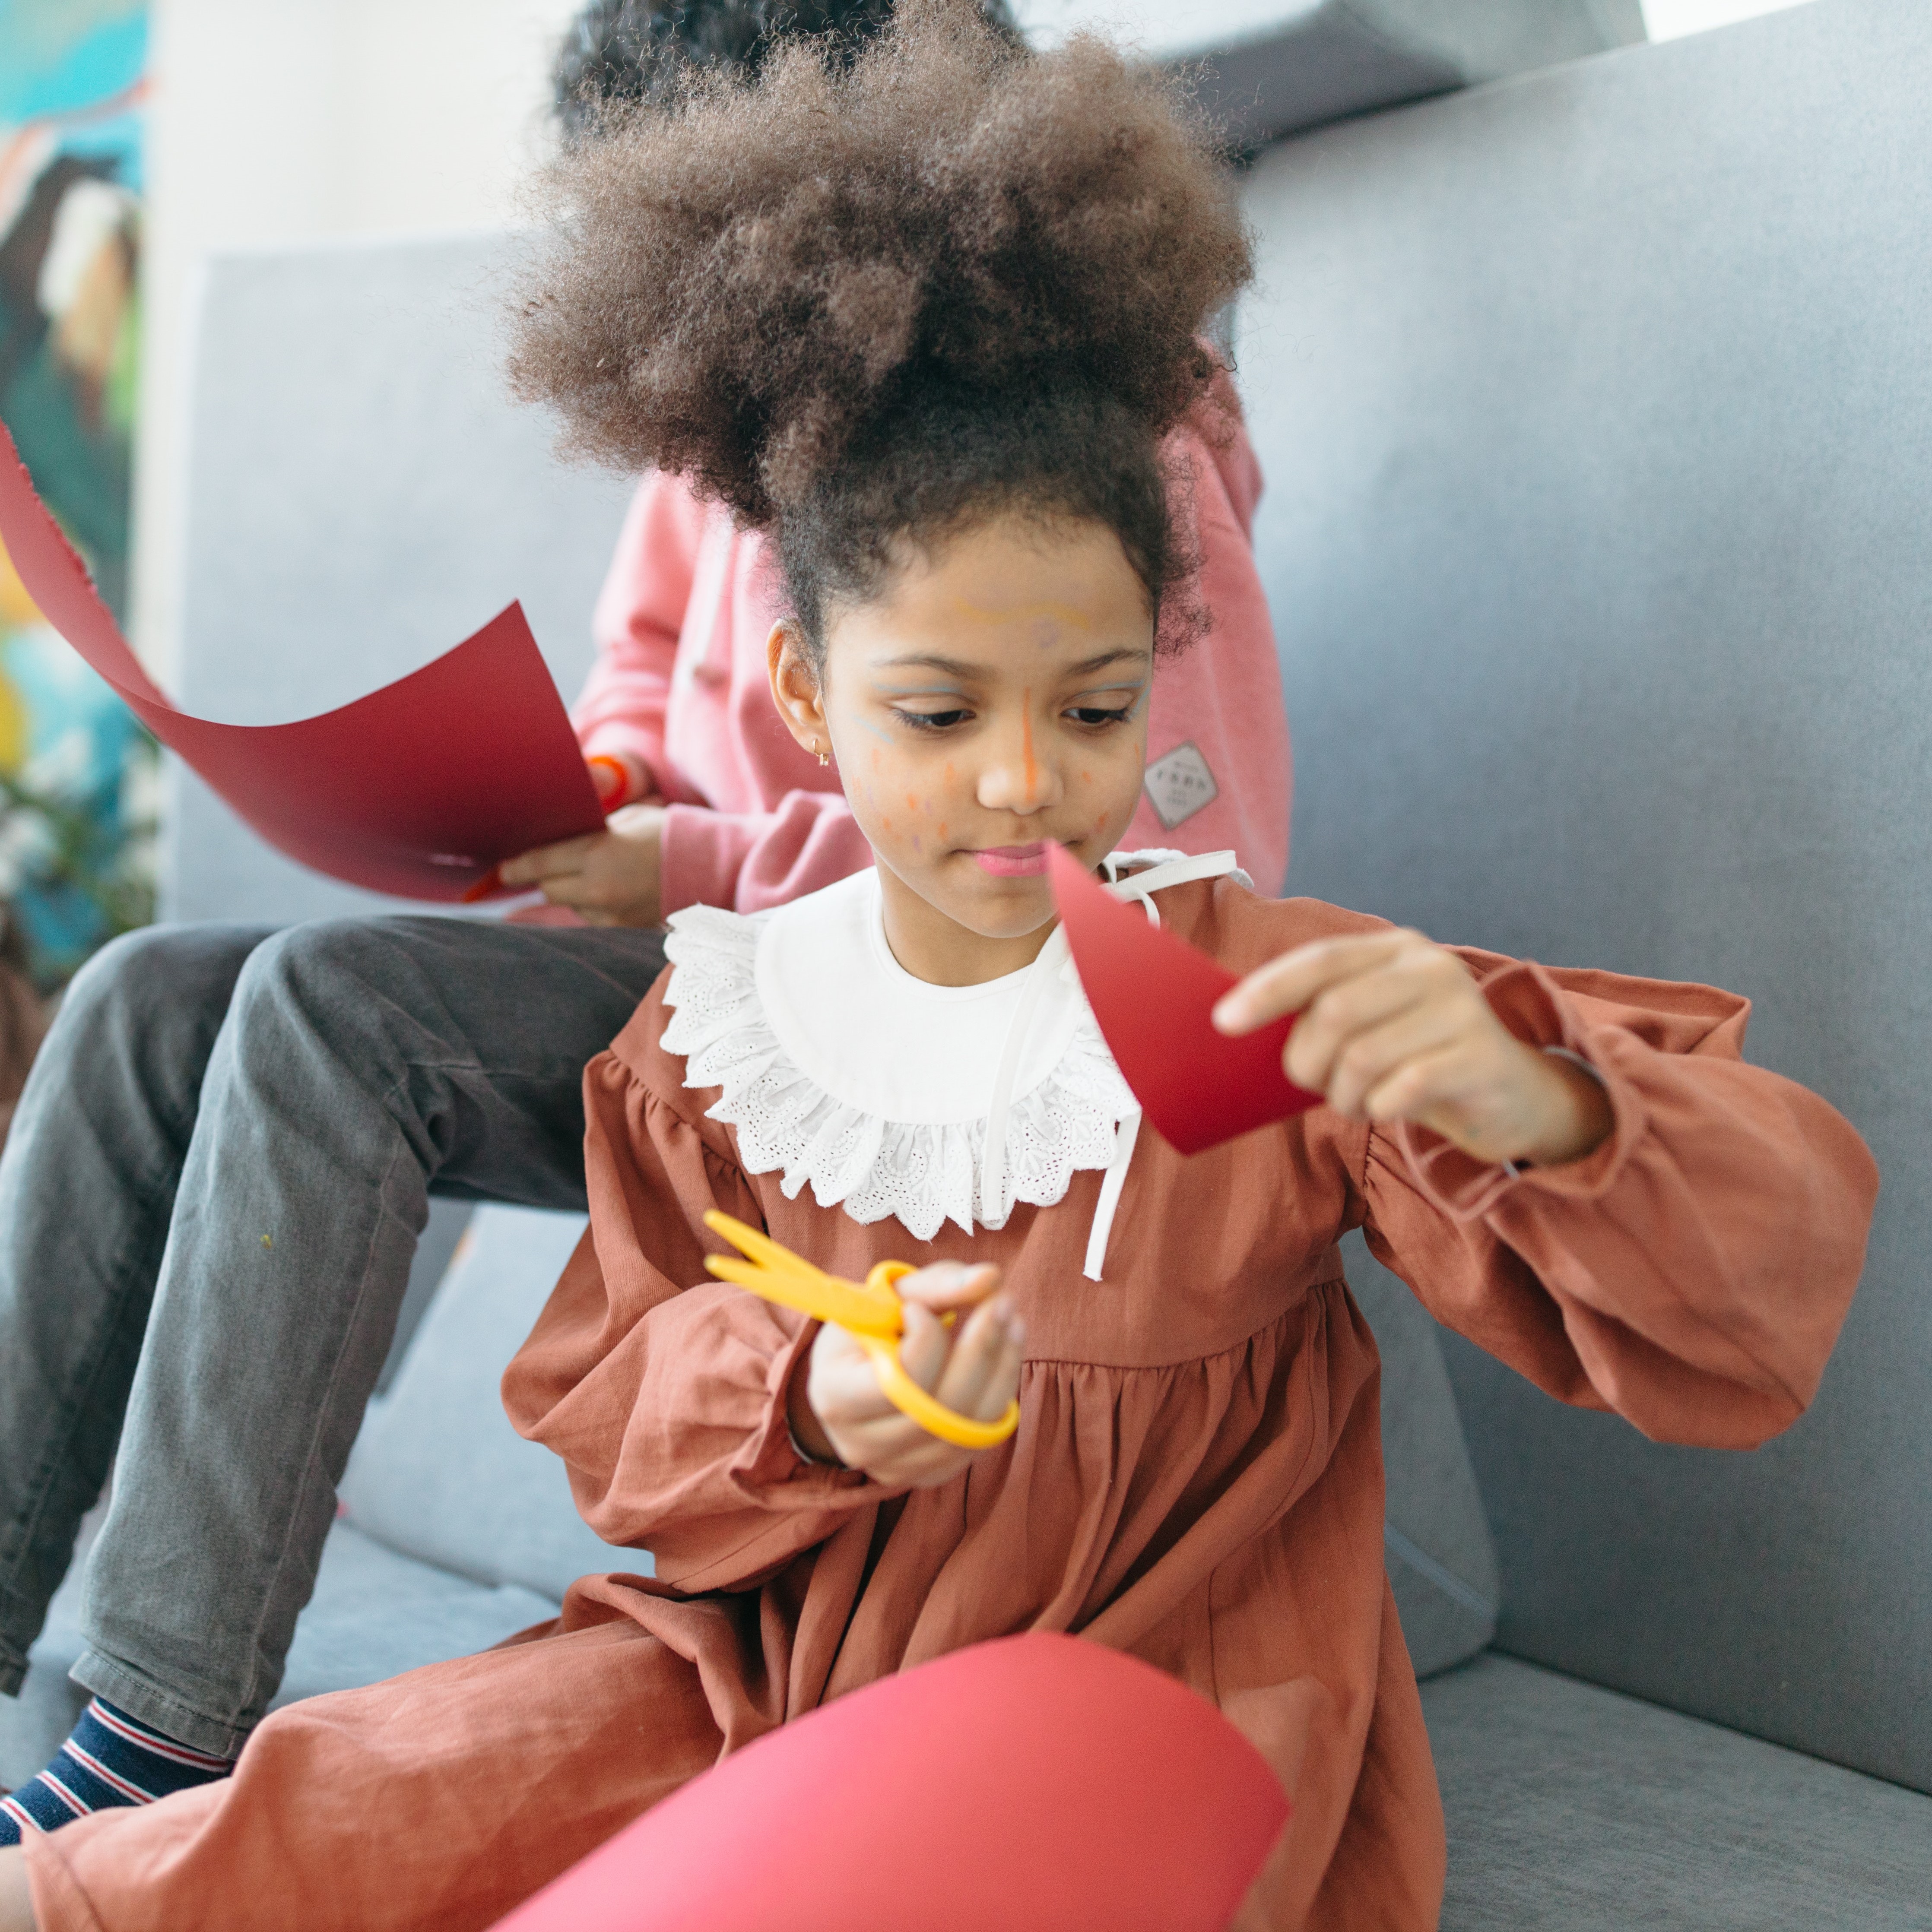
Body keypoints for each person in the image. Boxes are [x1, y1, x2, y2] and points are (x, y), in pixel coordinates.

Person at [0, 8, 1876, 1924]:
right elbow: (629, 1406)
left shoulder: (1225, 920)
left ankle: (168, 1745)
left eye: (1085, 705)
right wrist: (808, 1391)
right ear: (824, 695)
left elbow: (1729, 1285)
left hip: (1115, 1680)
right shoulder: (712, 1024)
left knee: (335, 1018)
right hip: (746, 1618)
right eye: (936, 706)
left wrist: (1543, 1102)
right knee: (203, 1834)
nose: (1022, 774)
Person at [0, 0, 1287, 1839]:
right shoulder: (742, 389)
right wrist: (594, 791)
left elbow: (1153, 899)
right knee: (141, 999)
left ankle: (158, 1737)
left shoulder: (1118, 462)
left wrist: (690, 866)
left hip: (904, 1017)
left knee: (333, 1010)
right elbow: (639, 666)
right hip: (698, 961)